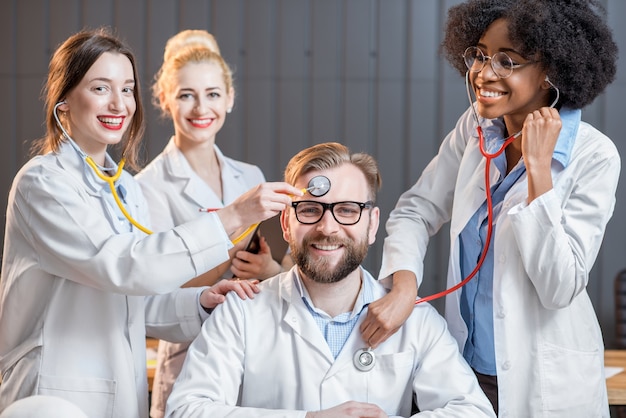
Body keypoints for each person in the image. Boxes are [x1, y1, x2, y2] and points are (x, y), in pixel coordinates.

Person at [0, 28, 301, 418]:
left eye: (127, 89)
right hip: (56, 393)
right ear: (64, 103)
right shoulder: (42, 183)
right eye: (100, 88)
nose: (118, 103)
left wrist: (202, 303)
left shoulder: (124, 187)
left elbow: (134, 304)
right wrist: (232, 217)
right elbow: (124, 266)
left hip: (122, 392)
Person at [360, 1, 620, 416]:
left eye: (507, 60)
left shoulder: (595, 156)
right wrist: (405, 286)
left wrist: (539, 172)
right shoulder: (476, 128)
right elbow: (416, 209)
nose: (483, 72)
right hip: (464, 371)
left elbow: (558, 288)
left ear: (552, 70)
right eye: (480, 54)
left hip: (544, 383)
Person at [165, 142, 496, 418]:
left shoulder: (417, 321)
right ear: (285, 222)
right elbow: (186, 409)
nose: (328, 227)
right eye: (310, 210)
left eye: (348, 210)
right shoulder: (241, 311)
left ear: (371, 224)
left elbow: (473, 411)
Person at [135, 29, 291, 418]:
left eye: (213, 94)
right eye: (186, 94)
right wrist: (226, 259)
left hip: (256, 351)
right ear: (163, 99)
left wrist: (270, 269)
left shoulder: (250, 177)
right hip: (189, 352)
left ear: (230, 98)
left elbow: (284, 270)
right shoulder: (145, 189)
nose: (201, 108)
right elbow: (148, 288)